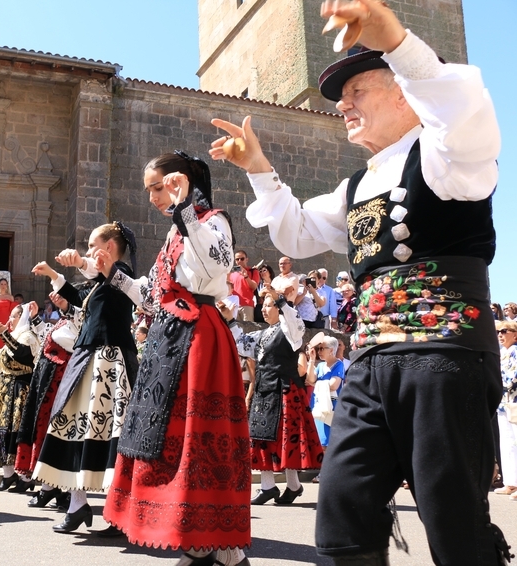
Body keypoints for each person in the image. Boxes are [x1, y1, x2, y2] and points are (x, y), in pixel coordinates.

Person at [210, 1, 506, 562]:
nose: (343, 105)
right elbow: (295, 233)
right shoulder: (355, 186)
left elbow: (459, 107)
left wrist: (394, 37)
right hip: (370, 364)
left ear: (406, 95)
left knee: (455, 526)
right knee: (342, 514)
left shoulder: (450, 156)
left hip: (443, 357)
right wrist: (259, 172)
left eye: (358, 91)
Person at [100, 151, 250, 566]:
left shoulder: (212, 219)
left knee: (196, 441)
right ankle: (201, 542)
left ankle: (220, 545)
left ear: (177, 182)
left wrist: (186, 212)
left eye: (155, 187)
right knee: (166, 440)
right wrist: (113, 274)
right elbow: (154, 295)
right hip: (168, 341)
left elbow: (217, 263)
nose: (151, 196)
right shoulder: (175, 232)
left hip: (199, 339)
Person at [31, 222, 137, 535]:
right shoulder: (101, 282)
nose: (89, 251)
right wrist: (54, 275)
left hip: (109, 361)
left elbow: (96, 272)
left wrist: (79, 261)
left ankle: (118, 511)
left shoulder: (122, 275)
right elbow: (80, 297)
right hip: (89, 359)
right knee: (77, 426)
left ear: (110, 248)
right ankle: (77, 504)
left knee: (107, 433)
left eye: (93, 245)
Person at [229, 286, 322, 510]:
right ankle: (277, 486)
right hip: (265, 391)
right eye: (263, 305)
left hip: (284, 391)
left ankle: (287, 485)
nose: (264, 309)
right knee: (262, 438)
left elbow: (293, 321)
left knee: (283, 440)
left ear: (279, 309)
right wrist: (230, 320)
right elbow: (240, 343)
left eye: (268, 305)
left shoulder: (291, 330)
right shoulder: (261, 334)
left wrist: (281, 300)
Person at [16, 292, 80, 508]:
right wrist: (35, 318)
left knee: (53, 434)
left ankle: (56, 490)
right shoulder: (63, 322)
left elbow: (66, 342)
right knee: (43, 433)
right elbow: (47, 338)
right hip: (47, 383)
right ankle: (50, 489)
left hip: (59, 383)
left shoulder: (78, 323)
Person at [0, 302, 41, 491]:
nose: (9, 320)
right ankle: (7, 475)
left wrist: (3, 334)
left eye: (13, 316)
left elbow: (21, 355)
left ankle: (24, 476)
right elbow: (2, 356)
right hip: (6, 390)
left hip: (20, 391)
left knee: (18, 433)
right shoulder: (14, 337)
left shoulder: (28, 336)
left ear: (22, 317)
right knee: (3, 432)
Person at [306, 334, 345, 449]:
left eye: (322, 348)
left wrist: (316, 384)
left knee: (327, 440)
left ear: (332, 350)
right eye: (319, 348)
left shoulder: (339, 365)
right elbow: (310, 379)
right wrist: (312, 361)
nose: (319, 351)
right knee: (318, 438)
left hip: (331, 406)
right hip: (318, 404)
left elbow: (334, 385)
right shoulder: (321, 365)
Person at [494, 320, 517, 500]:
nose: (500, 334)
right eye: (498, 332)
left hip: (515, 401)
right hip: (503, 403)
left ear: (515, 334)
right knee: (507, 443)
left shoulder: (516, 352)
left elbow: (512, 378)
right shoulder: (500, 353)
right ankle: (510, 482)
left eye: (504, 331)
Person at [230, 250, 260, 321]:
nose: (239, 261)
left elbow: (254, 286)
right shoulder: (232, 273)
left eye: (242, 259)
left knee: (248, 330)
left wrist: (246, 276)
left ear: (247, 259)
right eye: (237, 259)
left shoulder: (253, 271)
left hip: (247, 305)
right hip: (233, 306)